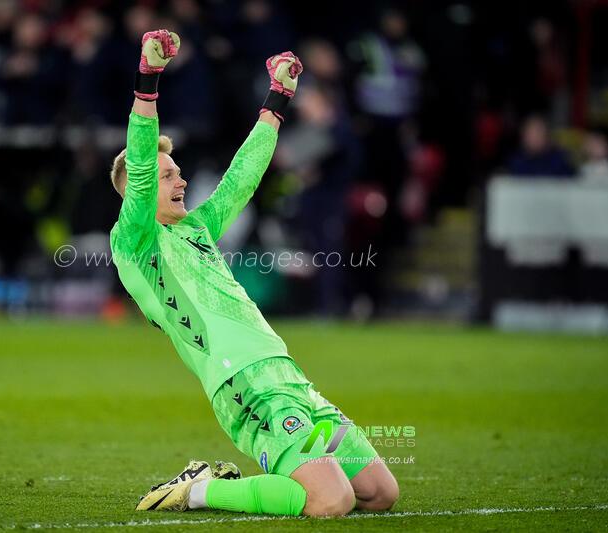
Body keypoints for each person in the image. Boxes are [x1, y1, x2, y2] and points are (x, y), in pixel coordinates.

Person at [109, 30, 398, 517]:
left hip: (286, 373)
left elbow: (242, 176)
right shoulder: (136, 244)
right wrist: (148, 78)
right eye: (166, 175)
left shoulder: (197, 228)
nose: (179, 179)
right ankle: (198, 491)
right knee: (332, 502)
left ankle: (250, 480)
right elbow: (139, 165)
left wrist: (277, 100)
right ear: (136, 195)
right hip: (241, 382)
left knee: (379, 493)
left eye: (177, 170)